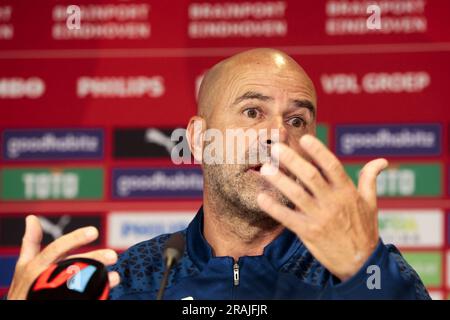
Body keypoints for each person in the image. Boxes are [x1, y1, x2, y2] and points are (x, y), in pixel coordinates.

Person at [7, 48, 430, 300]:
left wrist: (366, 276)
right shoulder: (132, 279)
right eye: (252, 112)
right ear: (198, 138)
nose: (277, 134)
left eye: (297, 120)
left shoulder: (367, 272)